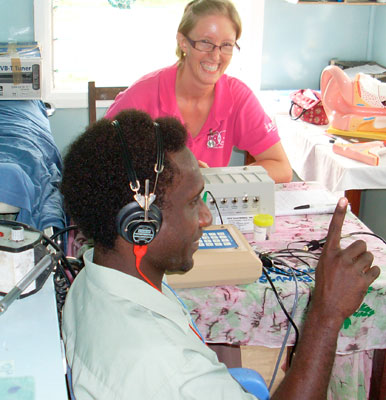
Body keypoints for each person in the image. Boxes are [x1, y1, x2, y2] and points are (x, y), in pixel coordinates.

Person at [61, 109, 379, 399]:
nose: (206, 217)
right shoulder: (164, 364)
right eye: (192, 202)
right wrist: (326, 314)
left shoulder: (89, 281)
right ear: (139, 225)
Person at [105, 0, 292, 183]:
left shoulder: (238, 97)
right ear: (183, 42)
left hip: (206, 210)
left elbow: (281, 168)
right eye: (205, 42)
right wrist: (172, 174)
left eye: (226, 45)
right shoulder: (141, 96)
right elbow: (97, 164)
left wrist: (216, 178)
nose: (216, 55)